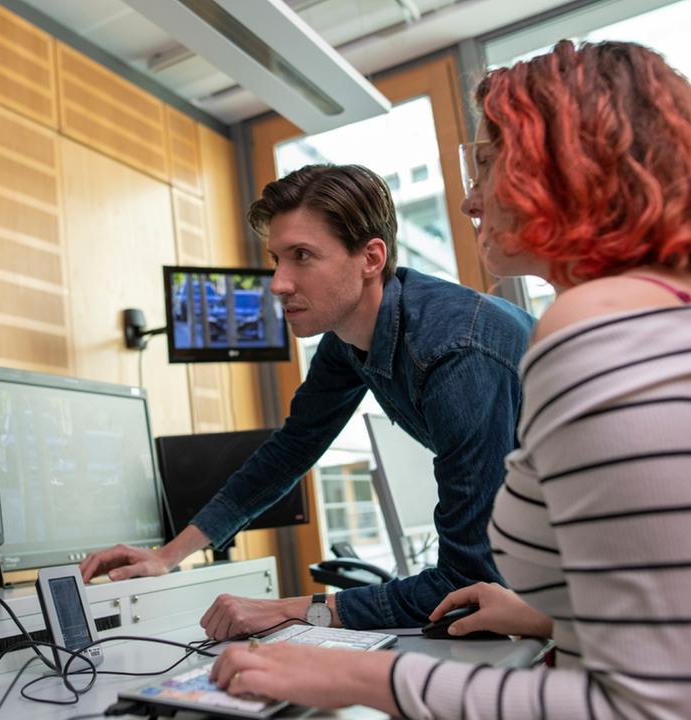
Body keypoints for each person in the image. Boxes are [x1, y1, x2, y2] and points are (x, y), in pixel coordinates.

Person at [208, 39, 691, 717]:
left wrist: (350, 677)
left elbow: (649, 705)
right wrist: (548, 619)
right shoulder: (682, 304)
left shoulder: (592, 323)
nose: (471, 200)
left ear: (561, 171)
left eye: (488, 167)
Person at [81, 163, 535, 634]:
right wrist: (166, 556)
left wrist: (289, 609)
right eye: (277, 258)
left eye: (302, 255)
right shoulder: (349, 340)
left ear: (371, 258)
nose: (278, 282)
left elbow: (465, 587)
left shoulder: (455, 353)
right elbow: (291, 449)